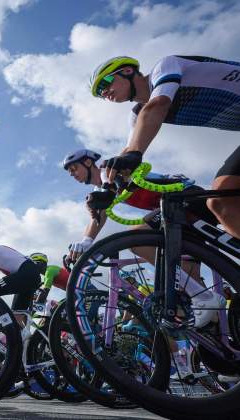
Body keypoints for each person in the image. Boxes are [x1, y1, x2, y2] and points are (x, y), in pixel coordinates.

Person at [62, 147, 225, 329]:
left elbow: (106, 197)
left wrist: (88, 240)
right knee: (188, 279)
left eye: (74, 168)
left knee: (135, 238)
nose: (72, 174)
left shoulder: (108, 172)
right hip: (176, 214)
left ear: (88, 162)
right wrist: (85, 241)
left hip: (183, 201)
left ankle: (203, 298)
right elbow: (98, 217)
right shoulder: (100, 187)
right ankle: (221, 333)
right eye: (69, 172)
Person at [90, 55, 240, 239]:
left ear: (127, 71)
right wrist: (107, 190)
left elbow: (158, 104)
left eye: (105, 83)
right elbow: (127, 153)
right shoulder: (138, 114)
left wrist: (135, 155)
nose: (104, 92)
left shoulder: (166, 66)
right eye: (99, 93)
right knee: (221, 204)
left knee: (221, 199)